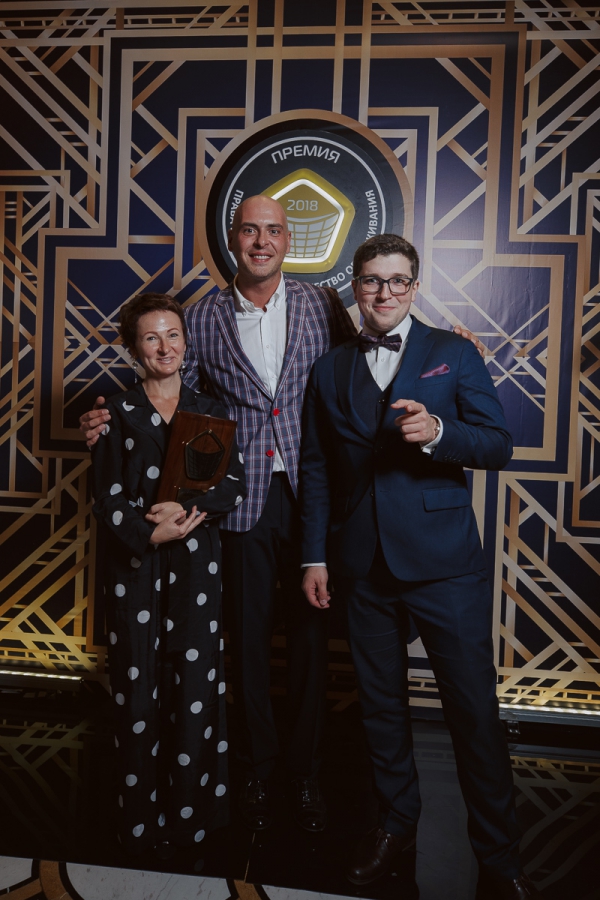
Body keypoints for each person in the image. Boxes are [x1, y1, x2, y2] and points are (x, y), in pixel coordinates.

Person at [81, 196, 483, 834]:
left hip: (315, 494)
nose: (261, 242)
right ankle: (258, 769)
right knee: (245, 641)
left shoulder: (324, 304)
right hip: (236, 500)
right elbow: (174, 390)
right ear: (233, 239)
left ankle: (305, 771)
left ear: (289, 240)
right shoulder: (201, 315)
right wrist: (106, 415)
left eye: (273, 231)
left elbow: (376, 352)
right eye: (250, 230)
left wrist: (451, 343)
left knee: (309, 642)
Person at [300, 235, 540, 900]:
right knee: (380, 710)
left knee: (473, 714)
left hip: (443, 565)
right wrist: (315, 555)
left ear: (414, 286)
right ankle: (396, 824)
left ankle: (500, 857)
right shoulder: (330, 369)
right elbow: (317, 470)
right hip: (360, 564)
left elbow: (497, 445)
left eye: (397, 281)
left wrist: (439, 433)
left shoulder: (453, 352)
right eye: (371, 280)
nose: (384, 292)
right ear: (355, 286)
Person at [91, 292, 246, 856]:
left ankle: (191, 818)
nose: (165, 347)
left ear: (186, 340)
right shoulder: (115, 412)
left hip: (197, 566)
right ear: (134, 348)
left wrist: (185, 509)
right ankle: (138, 823)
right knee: (137, 691)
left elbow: (233, 485)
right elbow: (105, 497)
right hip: (134, 567)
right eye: (151, 337)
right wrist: (146, 531)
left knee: (196, 686)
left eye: (173, 334)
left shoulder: (210, 410)